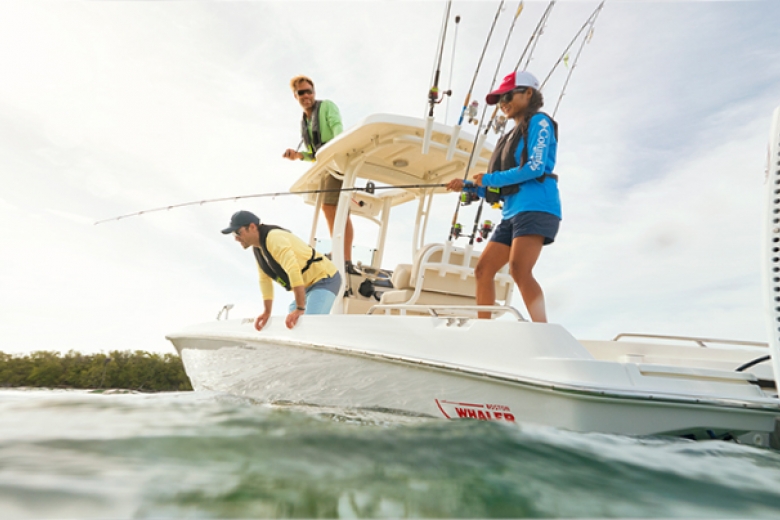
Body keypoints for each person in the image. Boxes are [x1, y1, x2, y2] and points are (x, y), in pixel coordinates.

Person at [446, 71, 560, 322]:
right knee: (483, 270)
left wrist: (487, 179)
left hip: (536, 207)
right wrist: (468, 186)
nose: (503, 103)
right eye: (499, 99)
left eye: (507, 95)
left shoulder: (540, 122)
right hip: (512, 213)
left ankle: (543, 330)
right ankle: (484, 331)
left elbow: (535, 167)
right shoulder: (509, 135)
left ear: (528, 93)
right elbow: (498, 188)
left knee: (520, 270)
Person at [221, 210, 342, 331]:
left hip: (325, 278)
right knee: (293, 320)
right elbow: (264, 280)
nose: (236, 238)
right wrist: (267, 312)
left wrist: (300, 308)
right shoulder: (258, 249)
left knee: (307, 324)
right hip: (308, 287)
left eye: (238, 232)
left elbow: (293, 269)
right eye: (233, 234)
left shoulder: (274, 238)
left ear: (252, 227)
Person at [282, 75, 355, 271]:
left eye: (309, 91)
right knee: (333, 209)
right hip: (325, 165)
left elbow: (338, 130)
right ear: (295, 96)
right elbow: (313, 154)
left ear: (314, 92)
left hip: (337, 162)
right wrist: (298, 156)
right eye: (301, 92)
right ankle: (341, 254)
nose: (306, 95)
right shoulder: (304, 122)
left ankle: (344, 258)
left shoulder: (327, 107)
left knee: (330, 207)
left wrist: (338, 155)